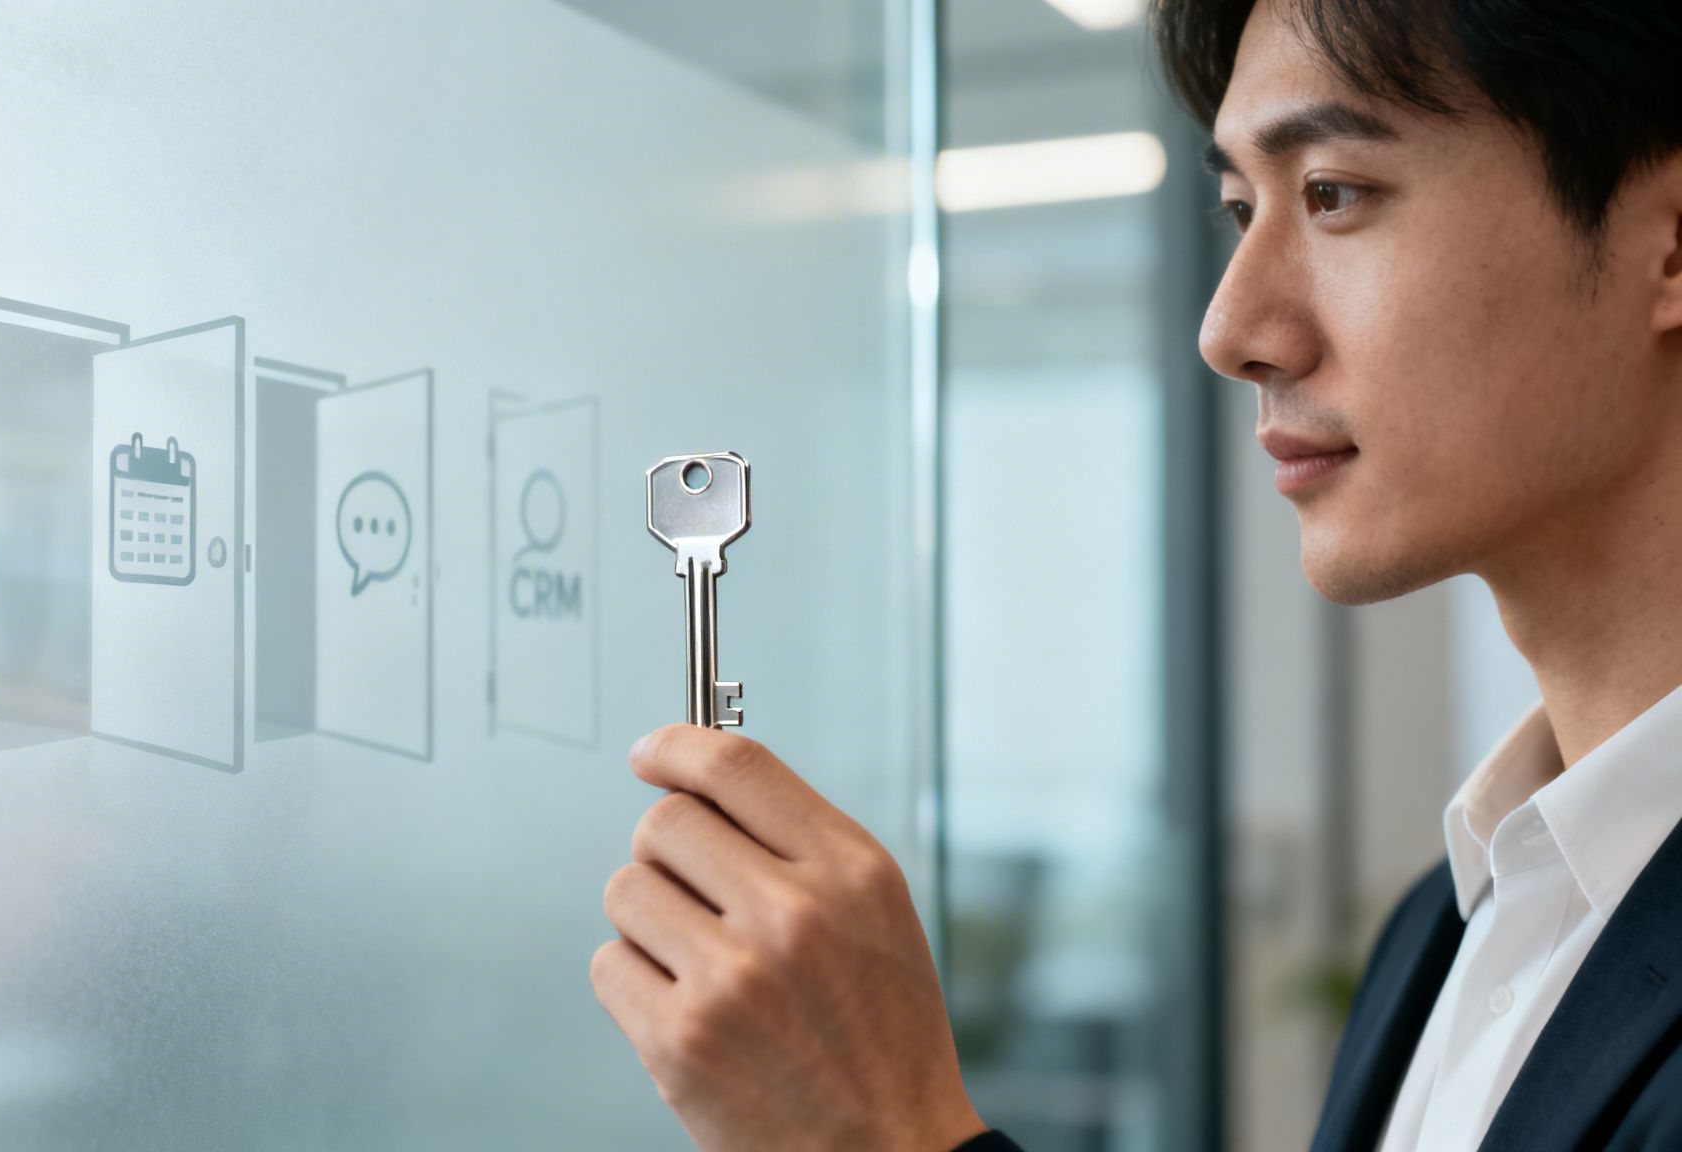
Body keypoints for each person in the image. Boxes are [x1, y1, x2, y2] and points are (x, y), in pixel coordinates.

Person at [588, 0, 1682, 1148]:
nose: (1228, 329)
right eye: (1238, 210)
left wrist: (891, 1132)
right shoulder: (1454, 921)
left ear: (1665, 244)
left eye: (1330, 193)